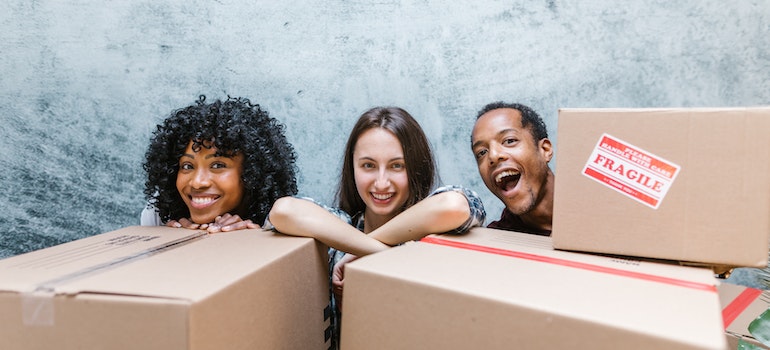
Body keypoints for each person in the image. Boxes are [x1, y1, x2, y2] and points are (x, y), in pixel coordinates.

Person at [267, 106, 485, 349]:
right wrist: (380, 253)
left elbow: (454, 206)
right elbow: (283, 211)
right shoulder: (336, 228)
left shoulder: (433, 237)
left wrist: (358, 253)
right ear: (353, 169)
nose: (381, 182)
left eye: (397, 166)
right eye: (368, 166)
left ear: (416, 168)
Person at [141, 95, 298, 232]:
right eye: (187, 166)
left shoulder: (287, 217)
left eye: (217, 165)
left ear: (252, 173)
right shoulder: (158, 217)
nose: (197, 182)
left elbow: (287, 211)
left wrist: (255, 236)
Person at [471, 101, 554, 236]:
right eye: (482, 152)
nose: (493, 156)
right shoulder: (497, 244)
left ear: (545, 150)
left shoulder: (595, 199)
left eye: (509, 141)